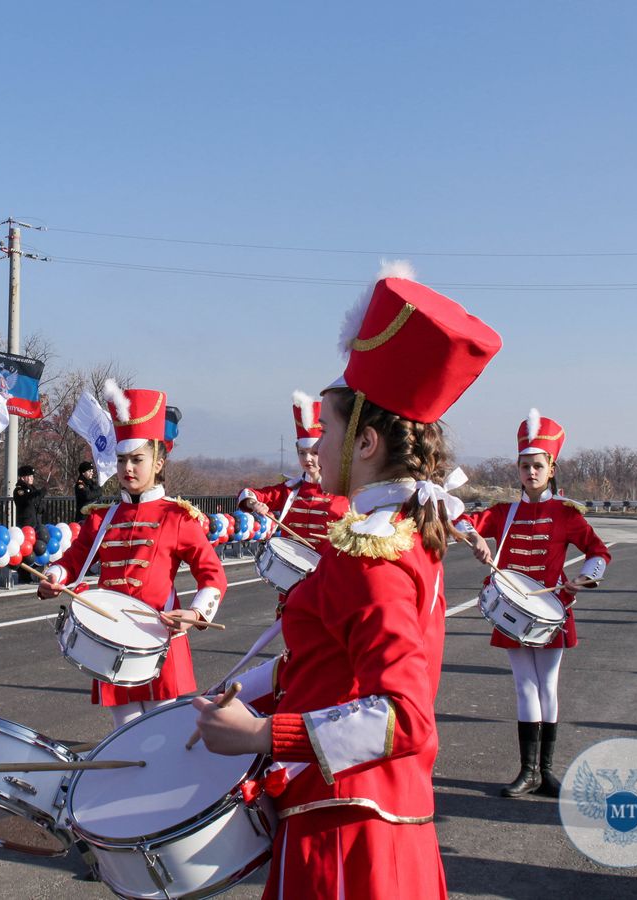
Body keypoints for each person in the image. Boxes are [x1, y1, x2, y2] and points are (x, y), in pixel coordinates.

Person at [192, 267, 501, 899]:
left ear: (363, 441)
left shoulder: (373, 551)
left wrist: (260, 734)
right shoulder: (393, 531)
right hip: (359, 817)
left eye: (326, 433)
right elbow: (335, 658)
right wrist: (249, 685)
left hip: (348, 833)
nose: (315, 449)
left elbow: (403, 715)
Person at [39, 380, 226, 728]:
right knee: (125, 735)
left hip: (160, 639)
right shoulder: (102, 516)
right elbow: (73, 560)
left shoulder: (178, 516)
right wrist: (55, 576)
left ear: (158, 461)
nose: (128, 469)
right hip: (112, 638)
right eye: (122, 459)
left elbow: (213, 576)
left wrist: (196, 612)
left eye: (137, 459)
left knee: (161, 735)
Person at [458, 410, 610, 798]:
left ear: (551, 467)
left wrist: (585, 578)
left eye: (537, 466)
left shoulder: (567, 514)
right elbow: (461, 520)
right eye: (525, 466)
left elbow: (598, 552)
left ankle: (546, 771)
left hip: (552, 612)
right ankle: (528, 772)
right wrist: (475, 537)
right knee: (525, 687)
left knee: (549, 688)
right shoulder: (504, 512)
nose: (531, 472)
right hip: (514, 614)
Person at [237, 392, 349, 613]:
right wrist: (254, 504)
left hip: (330, 578)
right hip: (292, 580)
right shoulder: (290, 490)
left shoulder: (345, 492)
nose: (308, 459)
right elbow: (248, 493)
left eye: (314, 453)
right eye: (302, 453)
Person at [12, 464, 46, 582]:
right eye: (29, 476)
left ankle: (35, 572)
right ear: (22, 477)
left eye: (32, 476)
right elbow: (28, 500)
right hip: (25, 524)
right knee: (26, 550)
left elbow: (37, 504)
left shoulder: (33, 489)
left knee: (37, 548)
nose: (32, 478)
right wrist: (39, 494)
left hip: (36, 523)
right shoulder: (19, 490)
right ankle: (24, 575)